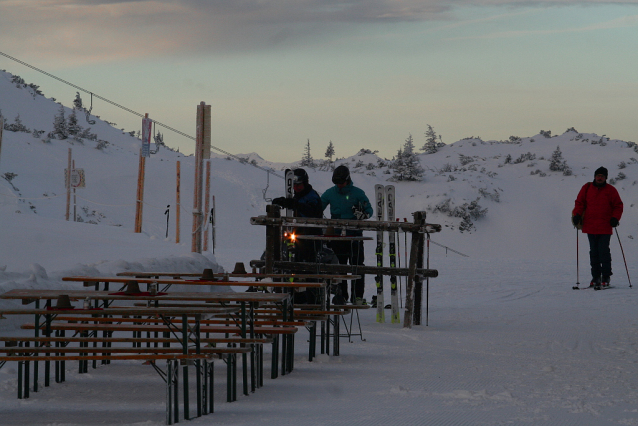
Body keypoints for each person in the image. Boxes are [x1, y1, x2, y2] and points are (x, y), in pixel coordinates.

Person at [321, 165, 373, 304]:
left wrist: (364, 214)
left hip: (355, 236)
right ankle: (342, 295)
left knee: (357, 266)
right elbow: (318, 206)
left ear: (348, 179)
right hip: (337, 237)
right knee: (340, 266)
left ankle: (358, 297)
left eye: (341, 183)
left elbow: (369, 210)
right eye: (336, 183)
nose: (339, 186)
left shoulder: (358, 193)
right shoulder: (330, 193)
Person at [272, 169, 323, 303]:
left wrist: (295, 205)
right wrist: (286, 202)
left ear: (305, 183)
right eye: (294, 185)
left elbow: (312, 212)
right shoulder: (297, 197)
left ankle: (312, 301)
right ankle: (297, 299)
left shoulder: (312, 196)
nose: (296, 188)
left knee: (309, 270)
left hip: (311, 239)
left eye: (299, 185)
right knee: (294, 267)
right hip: (298, 237)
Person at [572, 166, 623, 289]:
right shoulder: (587, 188)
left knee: (603, 251)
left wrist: (615, 218)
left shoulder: (611, 190)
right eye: (598, 175)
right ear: (594, 176)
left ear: (606, 178)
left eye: (602, 176)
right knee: (593, 252)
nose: (600, 178)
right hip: (590, 226)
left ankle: (605, 277)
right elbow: (579, 202)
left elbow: (618, 205)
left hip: (605, 226)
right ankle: (595, 277)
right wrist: (577, 214)